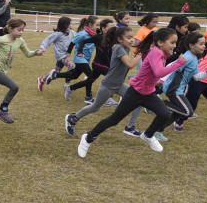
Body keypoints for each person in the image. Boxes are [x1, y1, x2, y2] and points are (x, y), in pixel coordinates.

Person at [77, 28, 188, 158]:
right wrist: (179, 63)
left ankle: (148, 135)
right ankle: (88, 138)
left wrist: (156, 81)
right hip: (135, 93)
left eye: (176, 43)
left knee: (164, 114)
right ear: (160, 42)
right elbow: (158, 71)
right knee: (114, 120)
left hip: (148, 93)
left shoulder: (161, 53)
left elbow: (154, 72)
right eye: (172, 42)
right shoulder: (155, 52)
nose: (174, 46)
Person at [64, 25, 144, 136]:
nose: (131, 40)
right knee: (95, 107)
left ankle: (130, 127)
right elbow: (130, 64)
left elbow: (136, 44)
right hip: (108, 86)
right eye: (129, 37)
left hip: (119, 85)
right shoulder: (118, 48)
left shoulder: (125, 47)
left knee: (139, 101)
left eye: (132, 37)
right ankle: (73, 118)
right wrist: (140, 55)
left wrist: (145, 45)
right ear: (120, 39)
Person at [166, 32, 207, 132]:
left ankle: (159, 129)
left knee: (182, 112)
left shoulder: (194, 58)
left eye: (204, 44)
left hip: (179, 90)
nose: (204, 46)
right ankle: (163, 105)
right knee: (188, 112)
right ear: (191, 45)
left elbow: (196, 77)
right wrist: (162, 82)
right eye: (201, 44)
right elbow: (171, 69)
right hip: (174, 89)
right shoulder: (187, 58)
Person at [48, 16, 98, 103]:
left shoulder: (94, 34)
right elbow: (72, 43)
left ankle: (56, 75)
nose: (99, 26)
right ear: (90, 24)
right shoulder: (82, 34)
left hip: (86, 60)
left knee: (74, 75)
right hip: (80, 58)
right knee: (91, 77)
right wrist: (67, 56)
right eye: (97, 24)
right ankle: (86, 96)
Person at [36, 17, 73, 91]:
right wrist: (42, 48)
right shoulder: (57, 34)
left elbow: (79, 36)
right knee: (72, 66)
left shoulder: (71, 32)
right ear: (65, 25)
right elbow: (47, 40)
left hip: (66, 56)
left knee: (56, 71)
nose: (70, 25)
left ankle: (42, 79)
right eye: (69, 24)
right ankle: (67, 85)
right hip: (61, 56)